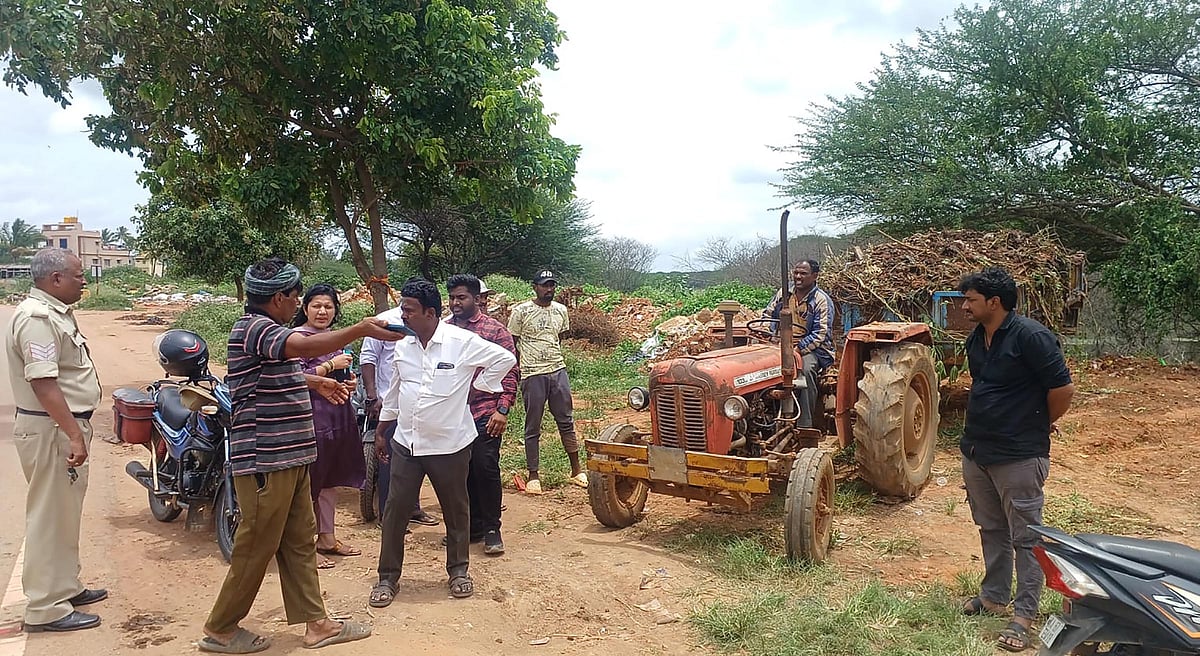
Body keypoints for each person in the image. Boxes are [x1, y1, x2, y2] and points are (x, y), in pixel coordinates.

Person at [200, 258, 400, 653]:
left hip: (290, 457)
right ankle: (221, 627)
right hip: (265, 459)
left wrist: (316, 382)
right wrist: (361, 328)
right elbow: (305, 345)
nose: (299, 304)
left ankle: (317, 623)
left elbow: (275, 372)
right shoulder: (255, 327)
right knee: (256, 544)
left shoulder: (267, 330)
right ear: (278, 298)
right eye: (295, 297)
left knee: (298, 541)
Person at [369, 279, 516, 608]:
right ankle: (387, 577)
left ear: (430, 313)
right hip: (407, 443)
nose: (402, 314)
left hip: (450, 444)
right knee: (395, 510)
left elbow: (504, 359)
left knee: (456, 509)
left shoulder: (461, 342)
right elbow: (395, 389)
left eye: (408, 309)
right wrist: (382, 429)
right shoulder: (404, 345)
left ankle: (459, 571)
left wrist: (482, 384)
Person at [957, 267, 1074, 653]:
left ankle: (1024, 614)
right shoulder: (978, 338)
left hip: (1019, 454)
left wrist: (1036, 424)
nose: (965, 306)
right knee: (991, 528)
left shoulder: (1032, 337)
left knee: (1027, 537)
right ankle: (993, 596)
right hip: (978, 451)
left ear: (995, 302)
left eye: (971, 299)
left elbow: (1062, 389)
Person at [7, 248, 105, 632]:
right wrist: (72, 434)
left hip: (59, 427)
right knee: (50, 516)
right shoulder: (37, 319)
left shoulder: (55, 314)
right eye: (78, 275)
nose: (84, 281)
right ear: (55, 280)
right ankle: (46, 608)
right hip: (52, 430)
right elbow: (44, 383)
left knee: (64, 514)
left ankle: (65, 586)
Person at [292, 284, 367, 569]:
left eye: (328, 306)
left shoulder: (335, 338)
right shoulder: (297, 338)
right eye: (316, 306)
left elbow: (344, 375)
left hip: (337, 416)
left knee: (330, 481)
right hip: (310, 417)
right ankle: (304, 546)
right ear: (305, 308)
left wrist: (349, 381)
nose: (322, 311)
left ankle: (327, 536)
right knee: (309, 482)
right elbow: (294, 377)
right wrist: (328, 367)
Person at [445, 274, 519, 555]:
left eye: (461, 297)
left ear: (476, 299)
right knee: (459, 473)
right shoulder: (444, 330)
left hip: (486, 412)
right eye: (452, 297)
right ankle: (470, 528)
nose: (455, 303)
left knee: (485, 469)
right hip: (453, 414)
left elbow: (511, 371)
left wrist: (502, 409)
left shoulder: (495, 331)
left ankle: (491, 529)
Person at [360, 294, 440, 529]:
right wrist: (373, 396)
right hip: (390, 403)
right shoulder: (385, 321)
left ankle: (413, 508)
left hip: (421, 405)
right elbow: (368, 358)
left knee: (418, 458)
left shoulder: (429, 323)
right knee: (391, 462)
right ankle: (389, 515)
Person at [506, 269, 585, 494]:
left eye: (552, 285)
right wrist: (520, 369)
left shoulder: (561, 310)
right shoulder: (521, 311)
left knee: (566, 420)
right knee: (533, 424)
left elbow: (557, 338)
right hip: (532, 373)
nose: (548, 289)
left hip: (557, 370)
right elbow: (513, 342)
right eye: (544, 285)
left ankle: (576, 471)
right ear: (534, 287)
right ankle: (534, 475)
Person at [761, 259, 835, 428]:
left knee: (806, 371)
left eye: (803, 273)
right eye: (796, 273)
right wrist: (767, 335)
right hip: (779, 344)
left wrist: (797, 349)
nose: (798, 277)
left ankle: (805, 425)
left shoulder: (821, 300)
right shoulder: (784, 294)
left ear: (814, 276)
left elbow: (820, 334)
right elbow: (767, 315)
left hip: (812, 349)